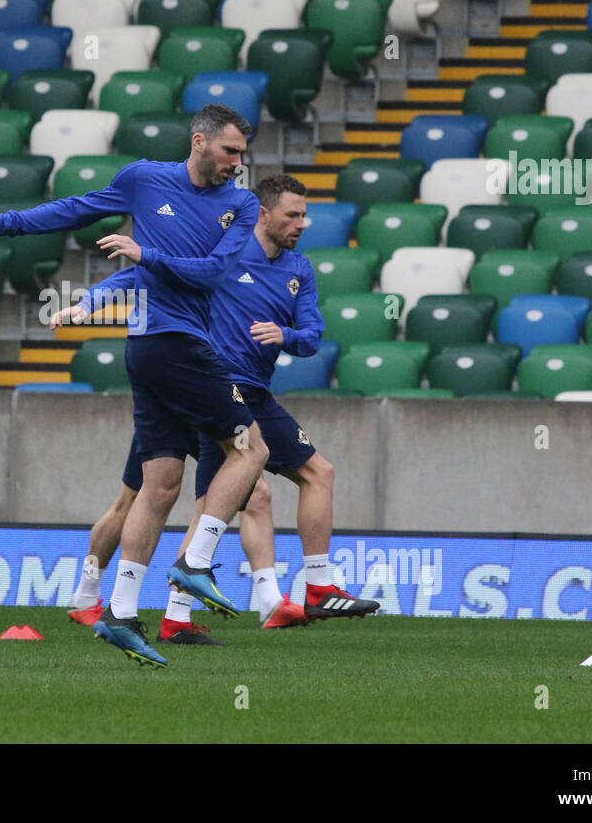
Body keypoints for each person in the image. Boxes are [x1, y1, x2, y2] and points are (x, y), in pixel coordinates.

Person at [0, 104, 268, 668]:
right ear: (199, 142)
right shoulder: (144, 178)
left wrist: (138, 259)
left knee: (159, 486)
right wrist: (2, 222)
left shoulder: (242, 205)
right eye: (229, 151)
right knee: (252, 448)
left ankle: (121, 613)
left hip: (150, 351)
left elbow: (213, 273)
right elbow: (77, 209)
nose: (236, 163)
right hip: (174, 345)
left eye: (242, 154)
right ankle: (196, 561)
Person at [61, 174, 379, 637]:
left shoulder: (299, 270)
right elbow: (143, 274)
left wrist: (285, 335)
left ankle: (173, 611)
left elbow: (312, 336)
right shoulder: (223, 253)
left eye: (305, 215)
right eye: (293, 214)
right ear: (264, 214)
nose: (302, 224)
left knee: (200, 496)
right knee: (162, 496)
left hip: (232, 391)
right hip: (203, 384)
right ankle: (101, 595)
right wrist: (89, 301)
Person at [65, 434, 289, 645]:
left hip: (168, 405)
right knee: (215, 502)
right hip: (205, 412)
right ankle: (175, 617)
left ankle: (86, 593)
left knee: (130, 500)